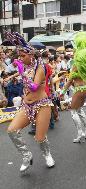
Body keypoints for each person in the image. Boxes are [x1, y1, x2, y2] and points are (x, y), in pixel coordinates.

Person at [5, 32, 55, 173]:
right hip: (27, 105)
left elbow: (34, 86)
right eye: (19, 56)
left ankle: (47, 154)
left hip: (42, 104)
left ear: (31, 55)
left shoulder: (40, 67)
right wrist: (15, 74)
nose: (20, 58)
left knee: (39, 138)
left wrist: (21, 72)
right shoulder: (25, 67)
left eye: (23, 56)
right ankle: (27, 156)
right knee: (12, 131)